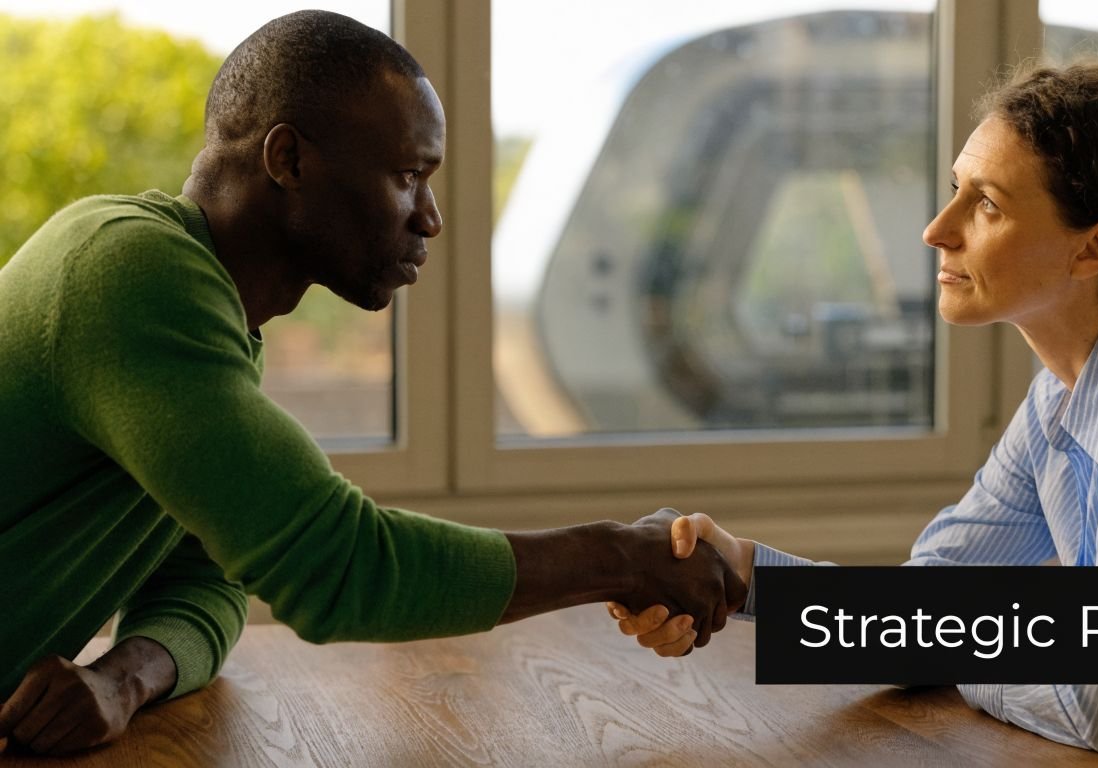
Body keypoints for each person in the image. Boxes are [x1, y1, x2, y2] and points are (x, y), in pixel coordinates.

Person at [0, 10, 744, 756]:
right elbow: (334, 565)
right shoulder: (131, 277)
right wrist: (617, 556)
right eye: (408, 176)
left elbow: (212, 579)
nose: (431, 218)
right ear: (287, 159)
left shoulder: (207, 316)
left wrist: (122, 680)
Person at [609, 62, 1098, 767]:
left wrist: (970, 651)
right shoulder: (1063, 392)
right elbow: (931, 607)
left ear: (1094, 248)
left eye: (986, 204)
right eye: (956, 189)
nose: (938, 228)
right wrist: (743, 574)